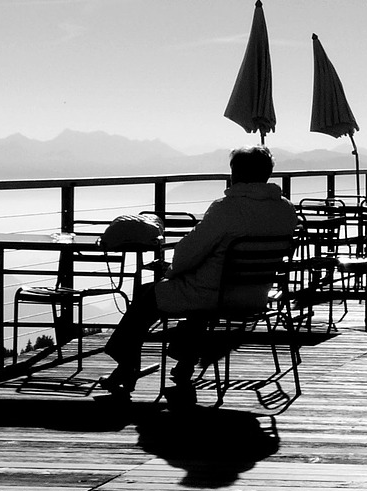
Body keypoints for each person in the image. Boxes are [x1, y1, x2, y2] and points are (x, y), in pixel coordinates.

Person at [97, 145, 300, 404]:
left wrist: (170, 271)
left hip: (215, 294)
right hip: (255, 294)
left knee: (150, 292)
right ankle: (184, 361)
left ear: (235, 173)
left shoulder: (227, 208)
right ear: (268, 174)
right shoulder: (285, 210)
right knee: (198, 297)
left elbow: (189, 252)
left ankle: (126, 364)